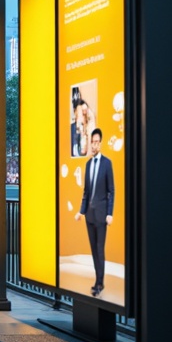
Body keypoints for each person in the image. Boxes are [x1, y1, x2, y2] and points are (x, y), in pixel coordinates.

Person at [74, 127, 114, 297]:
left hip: (102, 214)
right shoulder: (88, 164)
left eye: (98, 142)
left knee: (99, 249)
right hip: (89, 215)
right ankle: (98, 280)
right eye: (93, 142)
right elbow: (86, 191)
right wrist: (80, 212)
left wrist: (110, 213)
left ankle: (99, 282)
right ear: (90, 143)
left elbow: (111, 190)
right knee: (93, 248)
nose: (95, 145)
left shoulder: (107, 163)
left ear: (101, 143)